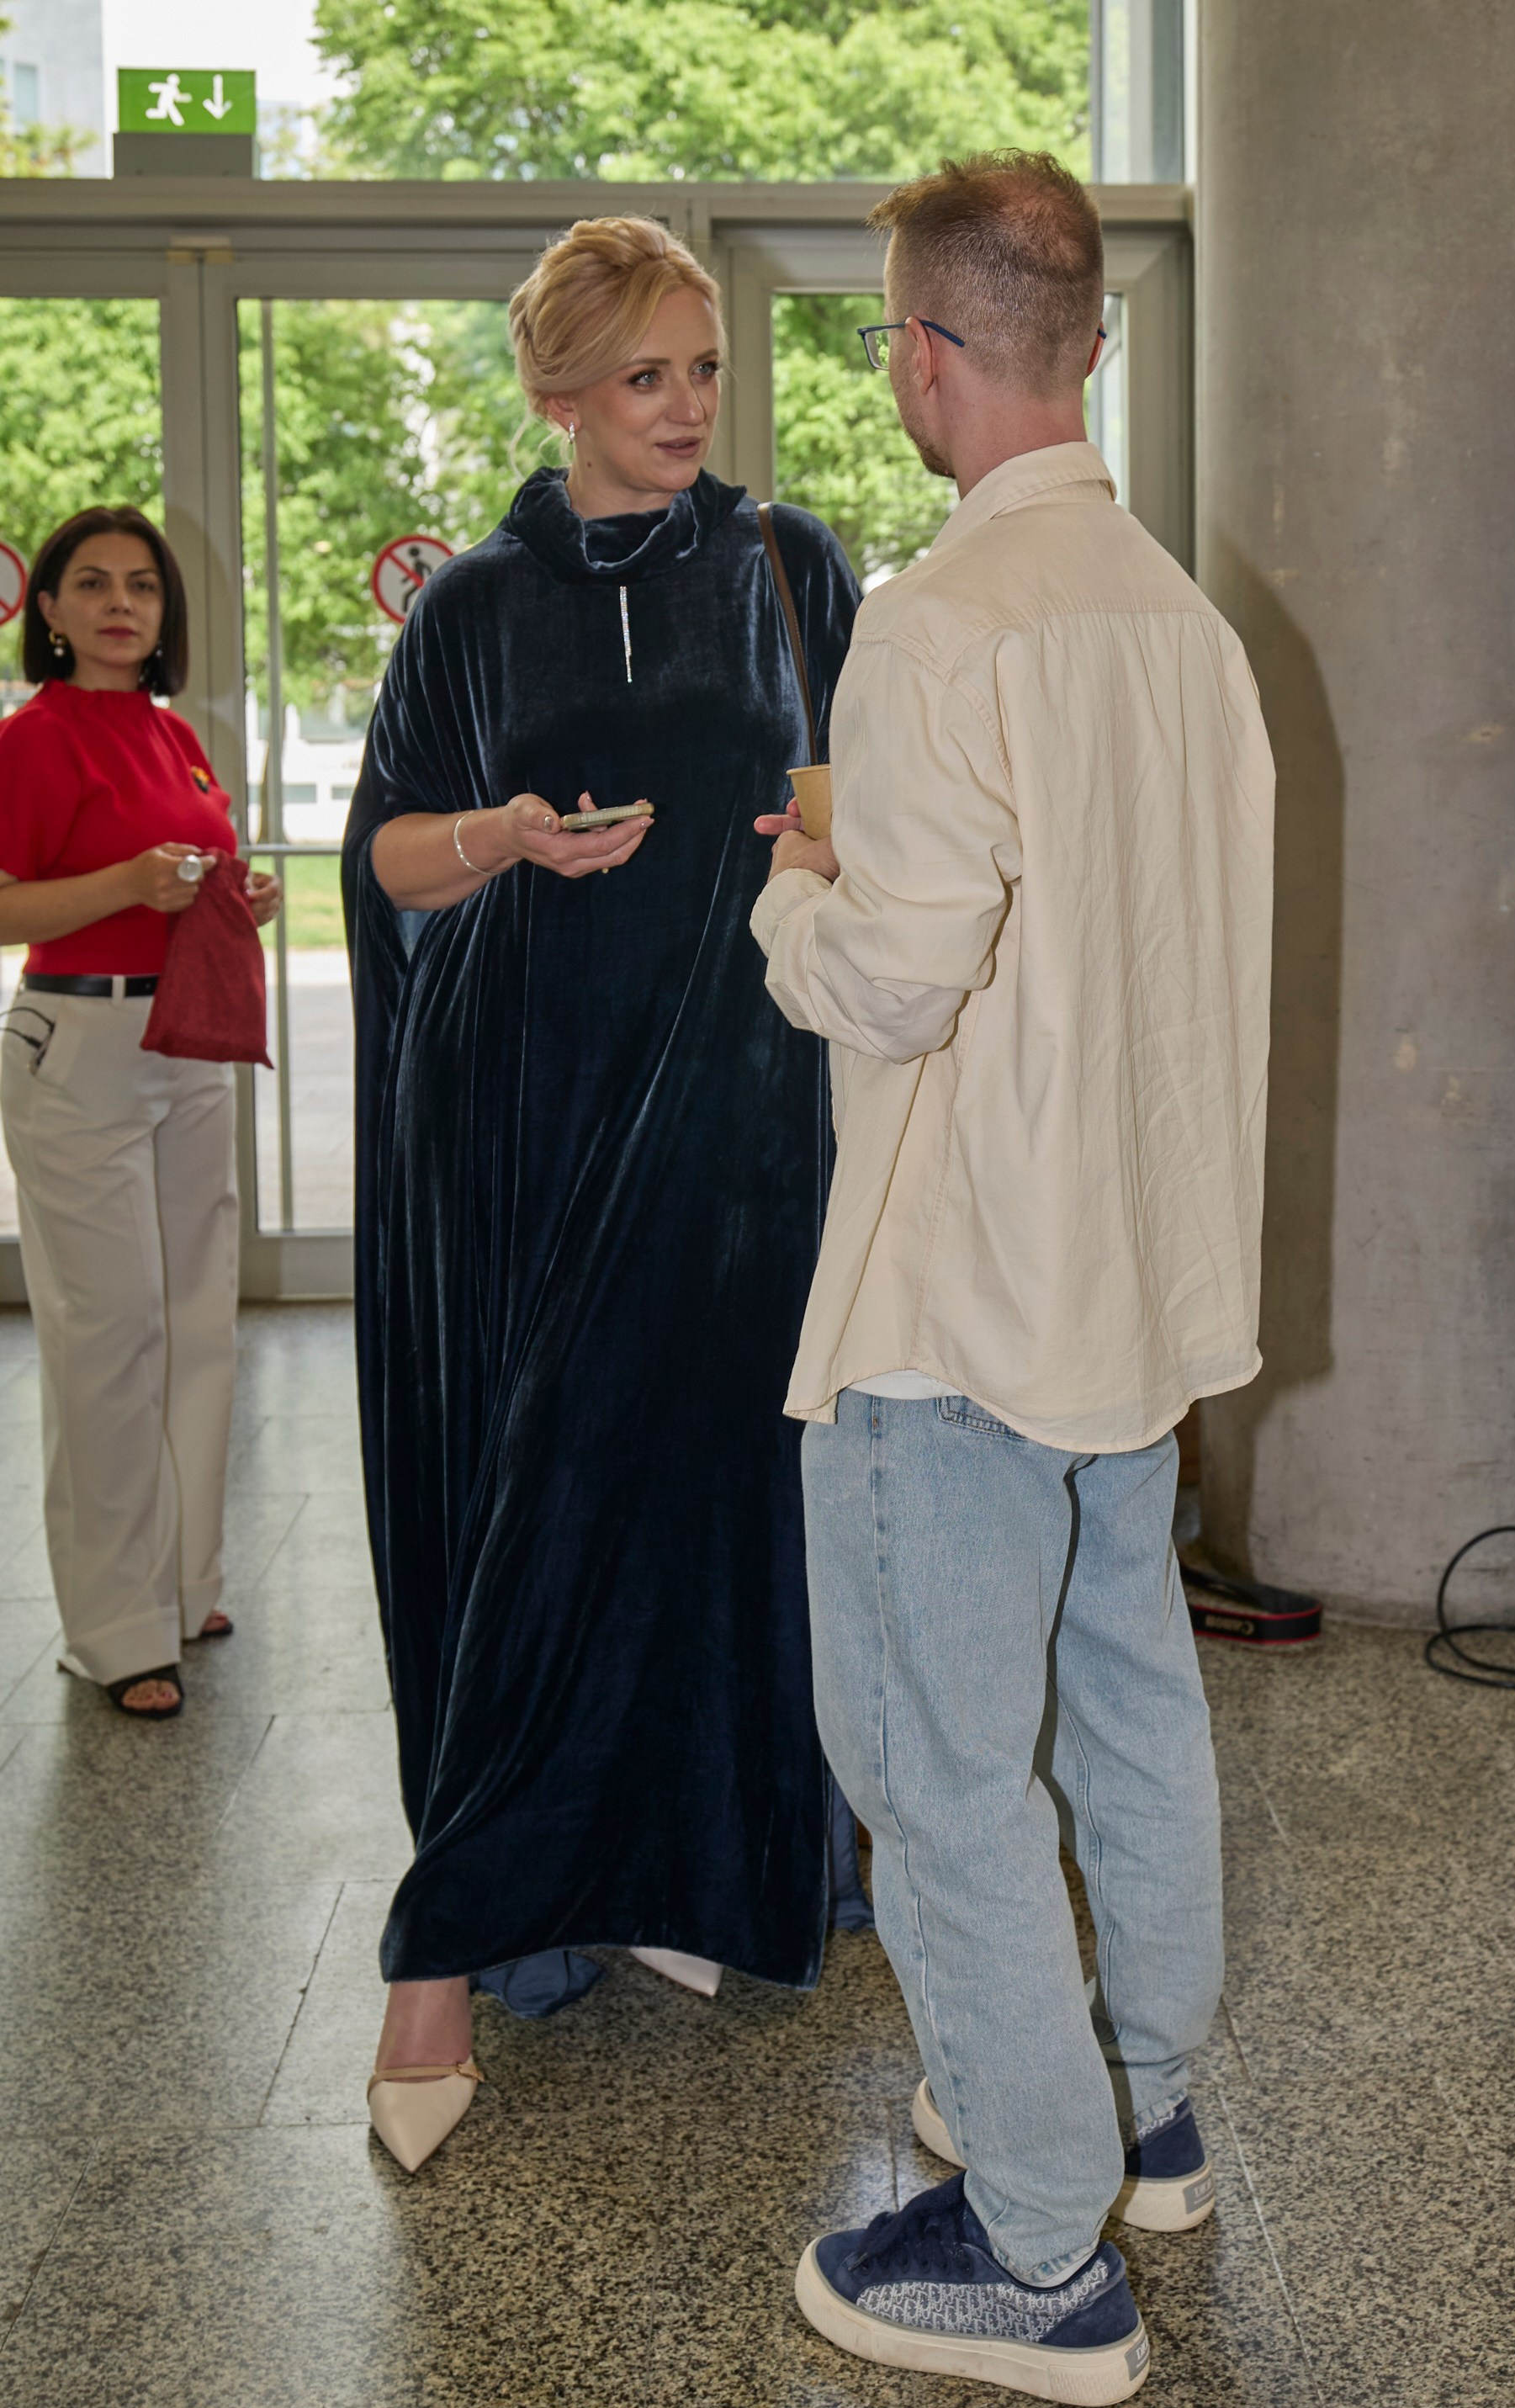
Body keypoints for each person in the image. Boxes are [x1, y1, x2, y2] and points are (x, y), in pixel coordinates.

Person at [750, 153, 1274, 2404]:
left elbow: (889, 979)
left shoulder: (946, 620)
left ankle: (1041, 2249)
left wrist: (802, 874)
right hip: (1132, 1273)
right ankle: (1135, 2107)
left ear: (936, 355)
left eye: (890, 338)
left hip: (964, 1288)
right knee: (1127, 1684)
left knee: (935, 1759)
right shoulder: (1176, 614)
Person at [345, 216, 865, 2176]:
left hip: (740, 1123)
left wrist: (816, 836)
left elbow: (860, 801)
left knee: (700, 1485)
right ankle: (452, 1938)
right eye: (645, 377)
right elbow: (386, 862)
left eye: (706, 370)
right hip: (519, 1115)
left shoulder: (786, 567)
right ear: (558, 393)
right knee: (527, 1494)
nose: (686, 410)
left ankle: (690, 1860)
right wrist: (499, 837)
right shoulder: (473, 607)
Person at [0, 507, 280, 1719]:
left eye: (144, 588)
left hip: (185, 1035)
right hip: (79, 1043)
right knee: (106, 1335)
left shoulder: (177, 738)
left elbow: (180, 875)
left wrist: (234, 900)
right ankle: (114, 1632)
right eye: (93, 583)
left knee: (193, 1321)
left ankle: (182, 1582)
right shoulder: (29, 741)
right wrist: (124, 884)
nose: (123, 603)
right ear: (47, 610)